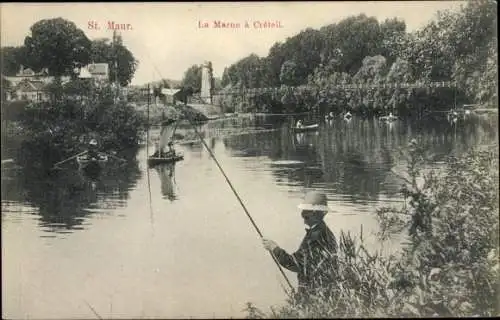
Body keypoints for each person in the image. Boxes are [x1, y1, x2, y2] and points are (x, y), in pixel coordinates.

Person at [262, 191, 338, 301]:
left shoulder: (316, 237)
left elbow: (295, 264)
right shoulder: (322, 231)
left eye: (306, 212)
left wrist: (274, 248)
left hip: (314, 295)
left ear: (316, 213)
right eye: (303, 212)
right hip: (320, 292)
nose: (302, 215)